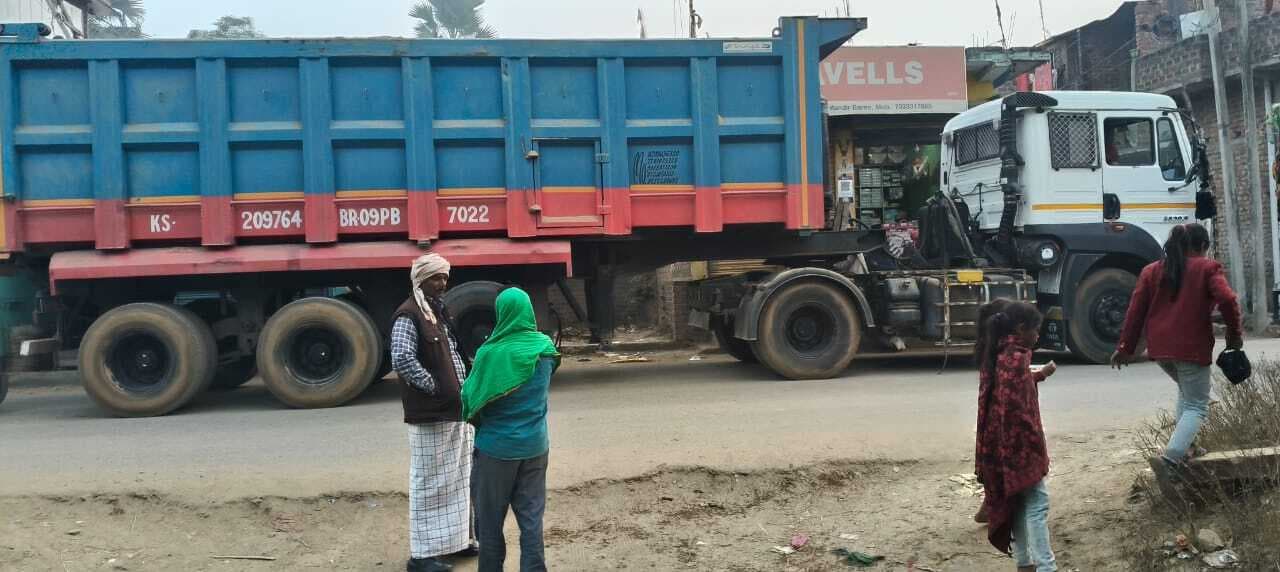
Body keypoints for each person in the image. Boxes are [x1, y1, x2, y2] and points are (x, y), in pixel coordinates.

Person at [1112, 223, 1243, 472]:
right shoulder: (1207, 267)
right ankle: (1172, 459)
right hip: (1191, 348)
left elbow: (1135, 311)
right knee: (1197, 406)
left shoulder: (1151, 271)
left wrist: (1125, 346)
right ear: (1203, 246)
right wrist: (1234, 335)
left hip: (1160, 350)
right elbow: (1227, 298)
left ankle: (1188, 448)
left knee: (1187, 394)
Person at [462, 287, 560, 572]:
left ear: (501, 313)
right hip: (535, 446)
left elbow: (470, 399)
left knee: (490, 523)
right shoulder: (544, 348)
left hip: (496, 451)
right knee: (532, 522)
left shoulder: (490, 353)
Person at [391, 253, 477, 572]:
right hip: (431, 414)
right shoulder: (408, 315)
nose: (442, 284)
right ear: (419, 280)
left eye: (445, 277)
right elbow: (401, 359)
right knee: (429, 482)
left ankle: (456, 542)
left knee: (458, 477)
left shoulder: (437, 312)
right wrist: (436, 387)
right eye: (436, 278)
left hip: (454, 412)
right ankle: (422, 555)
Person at [975, 301, 1057, 572]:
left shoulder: (1001, 352)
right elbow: (1017, 409)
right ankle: (1046, 566)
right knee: (1038, 503)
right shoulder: (1017, 356)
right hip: (1019, 448)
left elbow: (1010, 389)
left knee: (1018, 503)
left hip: (1000, 446)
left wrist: (1040, 375)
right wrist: (1034, 450)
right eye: (1036, 330)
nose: (1038, 336)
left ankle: (1025, 563)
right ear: (1022, 330)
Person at [972, 297, 1013, 525]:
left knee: (995, 463)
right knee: (1007, 464)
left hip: (991, 421)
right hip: (1004, 421)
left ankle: (990, 505)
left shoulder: (987, 350)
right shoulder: (1005, 356)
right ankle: (998, 510)